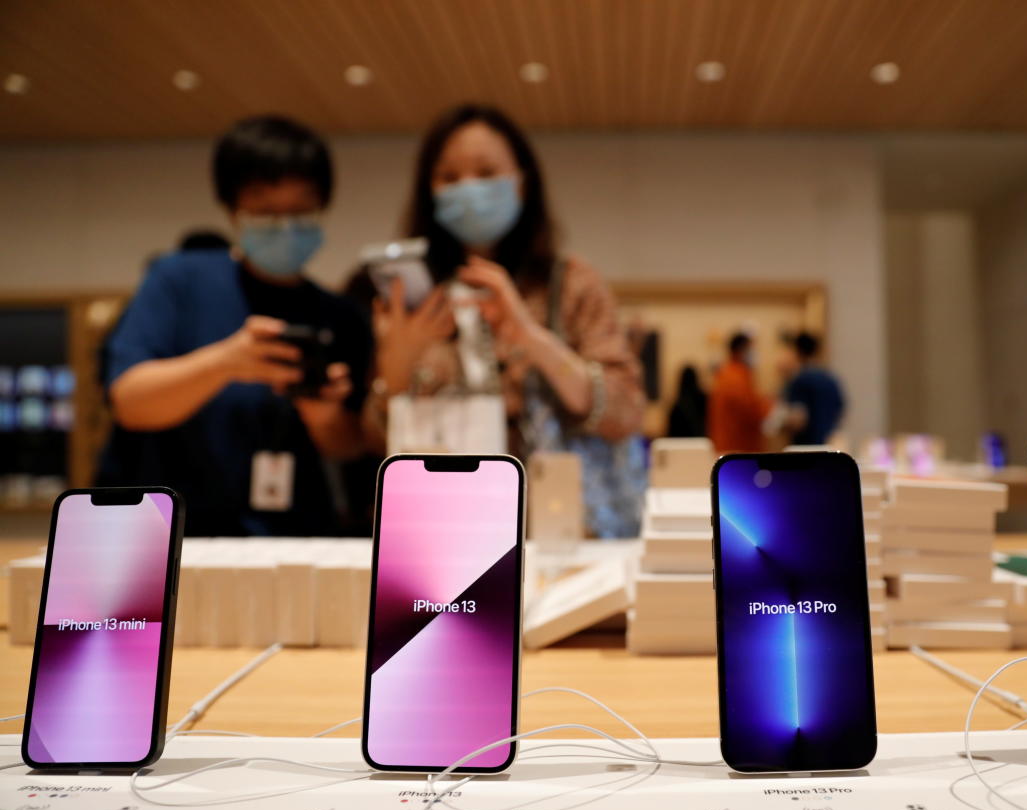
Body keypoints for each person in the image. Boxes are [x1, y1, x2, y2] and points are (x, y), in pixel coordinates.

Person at [366, 104, 644, 535]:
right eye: (449, 178)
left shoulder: (570, 283)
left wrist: (535, 341)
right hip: (447, 534)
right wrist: (395, 370)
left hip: (563, 535)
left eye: (487, 172)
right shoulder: (418, 296)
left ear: (522, 181)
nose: (469, 188)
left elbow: (626, 413)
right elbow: (376, 440)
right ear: (429, 191)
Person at [96, 115, 371, 536]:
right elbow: (130, 401)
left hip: (296, 538)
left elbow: (350, 444)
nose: (285, 225)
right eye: (264, 211)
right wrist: (224, 363)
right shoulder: (179, 280)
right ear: (232, 210)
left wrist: (323, 415)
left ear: (323, 208)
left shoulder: (341, 314)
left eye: (300, 209)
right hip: (168, 536)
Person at [777, 331, 845, 445]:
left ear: (797, 352)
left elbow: (798, 420)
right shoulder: (830, 379)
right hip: (828, 446)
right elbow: (840, 410)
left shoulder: (800, 380)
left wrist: (781, 425)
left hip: (806, 450)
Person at [707, 332, 772, 453]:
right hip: (737, 448)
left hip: (727, 446)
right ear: (741, 350)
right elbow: (751, 410)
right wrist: (770, 406)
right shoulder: (736, 377)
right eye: (751, 349)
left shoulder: (726, 373)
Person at [666, 364, 707, 438]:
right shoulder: (704, 401)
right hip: (701, 445)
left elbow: (671, 434)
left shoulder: (677, 406)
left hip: (680, 446)